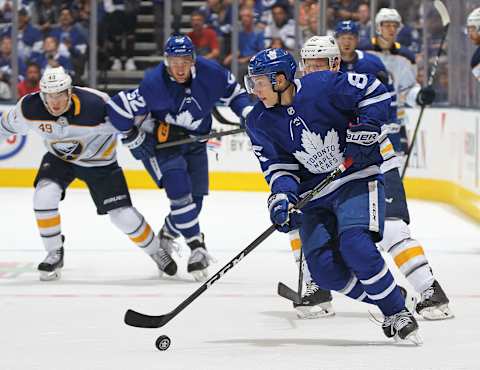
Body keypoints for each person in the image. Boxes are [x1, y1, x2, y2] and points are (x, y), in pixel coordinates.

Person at [244, 47, 421, 343]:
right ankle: (389, 296)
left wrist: (365, 129)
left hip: (355, 178)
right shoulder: (258, 121)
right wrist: (282, 198)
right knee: (325, 272)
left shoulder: (322, 85)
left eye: (260, 82)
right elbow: (278, 166)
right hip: (314, 196)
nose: (255, 90)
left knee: (356, 246)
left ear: (280, 79)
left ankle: (396, 311)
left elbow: (375, 92)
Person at [297, 27, 453, 321]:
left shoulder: (366, 71)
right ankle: (317, 285)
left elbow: (386, 99)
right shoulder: (299, 92)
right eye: (310, 64)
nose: (314, 70)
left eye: (321, 64)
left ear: (335, 63)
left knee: (392, 226)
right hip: (335, 175)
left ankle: (430, 290)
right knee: (306, 222)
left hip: (374, 163)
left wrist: (416, 96)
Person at [0, 66, 177, 281]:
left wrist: (156, 136)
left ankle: (156, 250)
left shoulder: (97, 106)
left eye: (59, 95)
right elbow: (4, 127)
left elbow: (138, 118)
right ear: (42, 94)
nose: (54, 102)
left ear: (70, 92)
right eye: (49, 96)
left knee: (123, 217)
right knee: (44, 195)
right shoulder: (29, 108)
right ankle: (54, 251)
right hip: (60, 159)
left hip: (101, 164)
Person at [106, 35, 253, 281]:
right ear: (166, 62)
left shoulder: (211, 73)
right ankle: (197, 247)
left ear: (194, 60)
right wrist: (132, 136)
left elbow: (235, 94)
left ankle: (169, 231)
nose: (180, 67)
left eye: (185, 61)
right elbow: (116, 108)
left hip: (196, 142)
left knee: (194, 203)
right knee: (179, 192)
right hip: (166, 145)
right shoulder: (154, 84)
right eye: (174, 61)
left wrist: (246, 111)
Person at [363, 8, 435, 157]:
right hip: (366, 121)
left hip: (395, 122)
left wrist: (419, 96)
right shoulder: (363, 52)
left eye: (395, 25)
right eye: (387, 25)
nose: (391, 29)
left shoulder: (406, 56)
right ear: (378, 27)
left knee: (395, 172)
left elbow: (407, 90)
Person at [466, 7, 480, 81]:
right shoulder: (476, 59)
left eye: (473, 30)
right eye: (469, 30)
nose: (470, 35)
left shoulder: (476, 60)